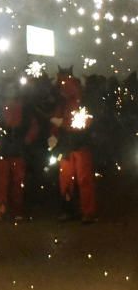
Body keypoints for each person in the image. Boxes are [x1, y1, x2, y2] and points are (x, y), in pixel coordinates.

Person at [50, 66, 97, 223]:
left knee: (84, 179)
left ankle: (87, 212)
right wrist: (54, 135)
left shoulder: (86, 102)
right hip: (66, 146)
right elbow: (56, 121)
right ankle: (68, 210)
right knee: (66, 180)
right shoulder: (63, 103)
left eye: (69, 86)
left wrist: (64, 125)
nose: (66, 88)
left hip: (81, 145)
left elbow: (86, 123)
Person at [0, 78, 39, 221]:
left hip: (18, 148)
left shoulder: (24, 108)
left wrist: (27, 140)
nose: (10, 92)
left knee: (18, 181)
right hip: (4, 148)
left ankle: (16, 210)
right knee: (1, 182)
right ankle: (1, 209)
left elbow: (33, 126)